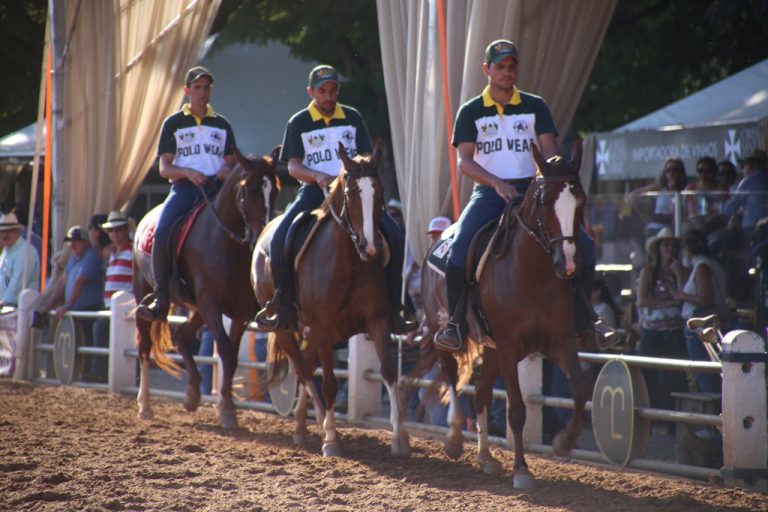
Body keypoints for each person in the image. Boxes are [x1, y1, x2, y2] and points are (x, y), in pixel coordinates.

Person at [434, 39, 614, 351]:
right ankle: (456, 324)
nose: (507, 72)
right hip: (489, 193)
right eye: (500, 67)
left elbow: (549, 153)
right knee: (459, 249)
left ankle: (586, 319)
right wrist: (496, 183)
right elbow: (464, 163)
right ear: (487, 70)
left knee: (583, 243)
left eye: (512, 66)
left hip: (535, 191)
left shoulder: (536, 105)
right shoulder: (471, 111)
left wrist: (560, 173)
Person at [255, 64, 415, 334]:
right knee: (281, 236)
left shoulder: (352, 117)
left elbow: (366, 158)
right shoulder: (298, 122)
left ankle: (398, 303)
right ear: (311, 92)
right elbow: (293, 167)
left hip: (352, 193)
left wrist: (355, 174)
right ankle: (282, 304)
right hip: (314, 191)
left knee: (395, 236)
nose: (328, 96)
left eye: (333, 90)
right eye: (322, 91)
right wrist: (317, 176)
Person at [136, 66, 237, 322]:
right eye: (198, 87)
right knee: (164, 229)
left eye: (207, 88)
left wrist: (226, 169)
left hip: (216, 191)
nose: (203, 92)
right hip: (185, 189)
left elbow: (230, 161)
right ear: (187, 90)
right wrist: (188, 173)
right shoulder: (174, 123)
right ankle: (161, 295)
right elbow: (164, 167)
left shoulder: (222, 124)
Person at [635, 227, 687, 410]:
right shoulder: (648, 271)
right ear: (658, 248)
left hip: (675, 328)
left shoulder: (681, 270)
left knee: (676, 375)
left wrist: (679, 274)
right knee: (646, 371)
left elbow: (685, 296)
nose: (670, 249)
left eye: (673, 246)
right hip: (653, 329)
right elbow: (641, 300)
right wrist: (668, 303)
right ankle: (650, 412)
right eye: (666, 245)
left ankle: (673, 417)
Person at [35, 226, 104, 359]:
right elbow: (61, 283)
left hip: (88, 309)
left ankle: (90, 375)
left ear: (86, 242)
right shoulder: (74, 259)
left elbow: (80, 282)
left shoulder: (91, 257)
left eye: (76, 241)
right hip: (75, 309)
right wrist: (48, 306)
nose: (72, 244)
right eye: (69, 241)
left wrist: (68, 304)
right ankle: (80, 375)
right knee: (77, 346)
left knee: (87, 345)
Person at [674, 228, 728, 393]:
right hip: (708, 324)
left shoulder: (702, 266)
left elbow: (705, 299)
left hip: (700, 326)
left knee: (705, 376)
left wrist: (682, 296)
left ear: (687, 248)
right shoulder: (708, 264)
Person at [90, 211, 134, 382]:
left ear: (126, 230)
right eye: (111, 231)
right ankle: (101, 371)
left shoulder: (132, 252)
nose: (114, 234)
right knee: (103, 333)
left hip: (125, 308)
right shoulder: (112, 253)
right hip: (110, 306)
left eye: (118, 230)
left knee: (118, 339)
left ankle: (101, 371)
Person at [723, 148, 768, 236]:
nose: (743, 170)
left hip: (754, 229)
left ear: (750, 165)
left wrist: (722, 206)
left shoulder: (750, 180)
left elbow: (730, 208)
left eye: (743, 166)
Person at [0, 212, 41, 307]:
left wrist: (4, 301)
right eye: (2, 231)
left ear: (18, 231)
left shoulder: (26, 251)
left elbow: (18, 282)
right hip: (6, 309)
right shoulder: (6, 251)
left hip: (20, 309)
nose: (5, 235)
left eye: (9, 231)